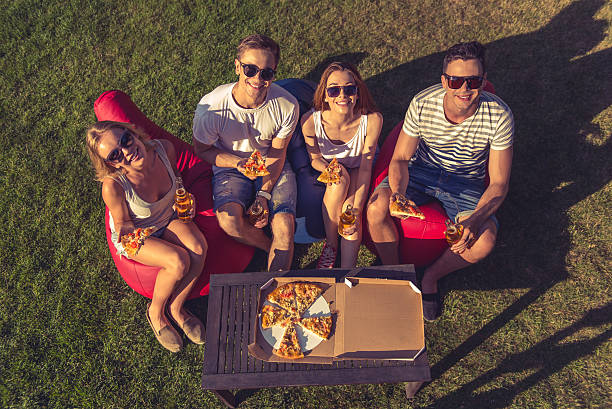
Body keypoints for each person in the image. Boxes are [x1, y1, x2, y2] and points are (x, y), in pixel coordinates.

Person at [366, 41, 513, 321]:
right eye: (456, 81)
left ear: (483, 80)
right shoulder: (423, 103)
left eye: (473, 81)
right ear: (444, 80)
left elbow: (498, 183)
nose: (464, 90)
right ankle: (397, 276)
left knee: (485, 241)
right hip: (422, 170)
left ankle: (431, 278)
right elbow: (399, 159)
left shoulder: (500, 115)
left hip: (466, 182)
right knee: (375, 209)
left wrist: (475, 219)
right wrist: (397, 193)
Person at [86, 121, 208, 352]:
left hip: (167, 217)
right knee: (178, 261)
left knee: (199, 248)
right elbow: (123, 225)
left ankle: (177, 308)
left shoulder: (164, 149)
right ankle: (156, 313)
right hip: (137, 233)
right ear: (109, 164)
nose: (126, 152)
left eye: (125, 140)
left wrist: (184, 197)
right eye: (114, 155)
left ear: (133, 133)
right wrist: (127, 233)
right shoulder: (113, 187)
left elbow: (177, 177)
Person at [192, 34, 299, 272]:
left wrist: (264, 194)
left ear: (274, 72)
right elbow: (202, 150)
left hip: (271, 162)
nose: (257, 79)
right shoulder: (211, 109)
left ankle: (276, 295)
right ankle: (268, 245)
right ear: (237, 66)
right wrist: (238, 164)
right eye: (250, 69)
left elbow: (278, 152)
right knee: (229, 221)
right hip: (230, 165)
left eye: (266, 73)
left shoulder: (287, 105)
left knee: (284, 224)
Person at [301, 62, 382, 268]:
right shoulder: (310, 122)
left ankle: (347, 271)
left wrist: (356, 208)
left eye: (349, 89)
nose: (342, 95)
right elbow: (315, 159)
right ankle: (331, 245)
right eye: (334, 90)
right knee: (338, 182)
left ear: (357, 91)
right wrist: (329, 169)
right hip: (332, 168)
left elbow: (365, 167)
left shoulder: (372, 120)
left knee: (350, 215)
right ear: (325, 95)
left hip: (358, 168)